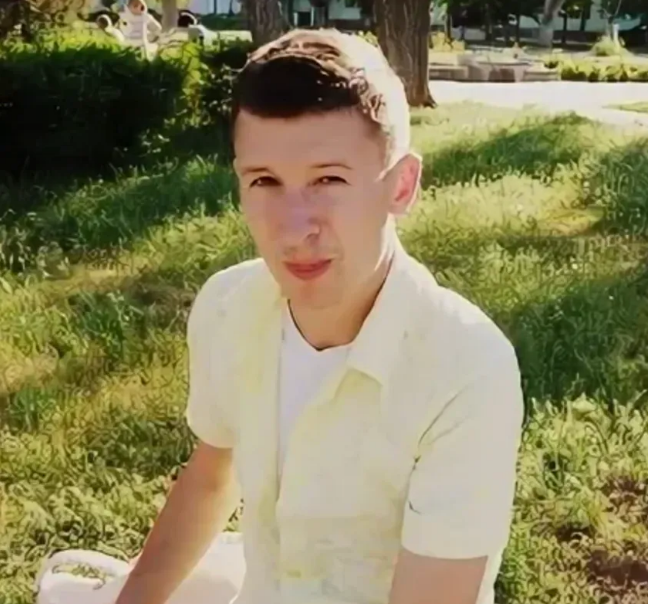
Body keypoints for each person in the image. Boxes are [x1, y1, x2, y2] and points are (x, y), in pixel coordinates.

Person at [112, 28, 525, 604]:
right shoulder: (229, 306)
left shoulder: (467, 369)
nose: (293, 227)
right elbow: (212, 474)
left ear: (401, 187)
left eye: (329, 179)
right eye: (265, 182)